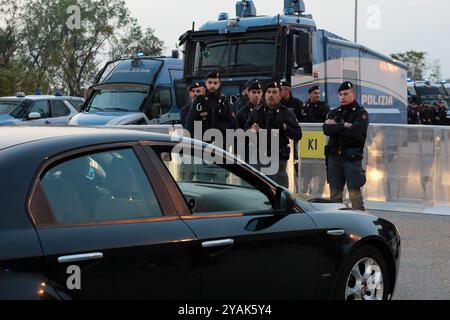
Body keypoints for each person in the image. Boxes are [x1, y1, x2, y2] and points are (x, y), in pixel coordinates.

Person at [246, 81, 302, 188]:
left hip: (278, 158)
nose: (271, 95)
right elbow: (243, 131)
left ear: (280, 96)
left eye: (275, 92)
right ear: (265, 94)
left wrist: (287, 128)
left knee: (279, 191)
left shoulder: (287, 113)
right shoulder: (256, 111)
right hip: (258, 158)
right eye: (269, 92)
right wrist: (251, 130)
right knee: (257, 190)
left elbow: (298, 134)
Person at [323, 81, 369, 211]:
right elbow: (326, 129)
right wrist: (344, 126)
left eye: (346, 94)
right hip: (334, 159)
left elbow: (355, 132)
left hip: (351, 159)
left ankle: (360, 224)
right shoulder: (334, 112)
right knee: (334, 197)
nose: (342, 97)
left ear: (353, 94)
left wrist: (336, 126)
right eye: (340, 94)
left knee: (355, 197)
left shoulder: (360, 113)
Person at [235, 80, 263, 163]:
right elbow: (237, 132)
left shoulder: (267, 110)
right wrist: (249, 131)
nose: (256, 95)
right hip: (247, 150)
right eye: (253, 92)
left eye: (259, 92)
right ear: (248, 93)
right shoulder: (242, 111)